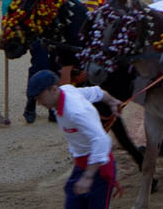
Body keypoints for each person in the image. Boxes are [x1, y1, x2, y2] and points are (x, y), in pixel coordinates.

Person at [2, 0, 80, 123]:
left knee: (56, 63)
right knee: (39, 63)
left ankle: (52, 107)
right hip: (37, 26)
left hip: (59, 24)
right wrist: (9, 23)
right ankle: (31, 102)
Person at [27, 70, 122, 207]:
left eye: (40, 98)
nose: (39, 103)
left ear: (53, 89)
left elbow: (102, 140)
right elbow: (97, 92)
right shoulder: (66, 91)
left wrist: (88, 176)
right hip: (83, 164)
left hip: (98, 169)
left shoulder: (76, 112)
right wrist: (112, 101)